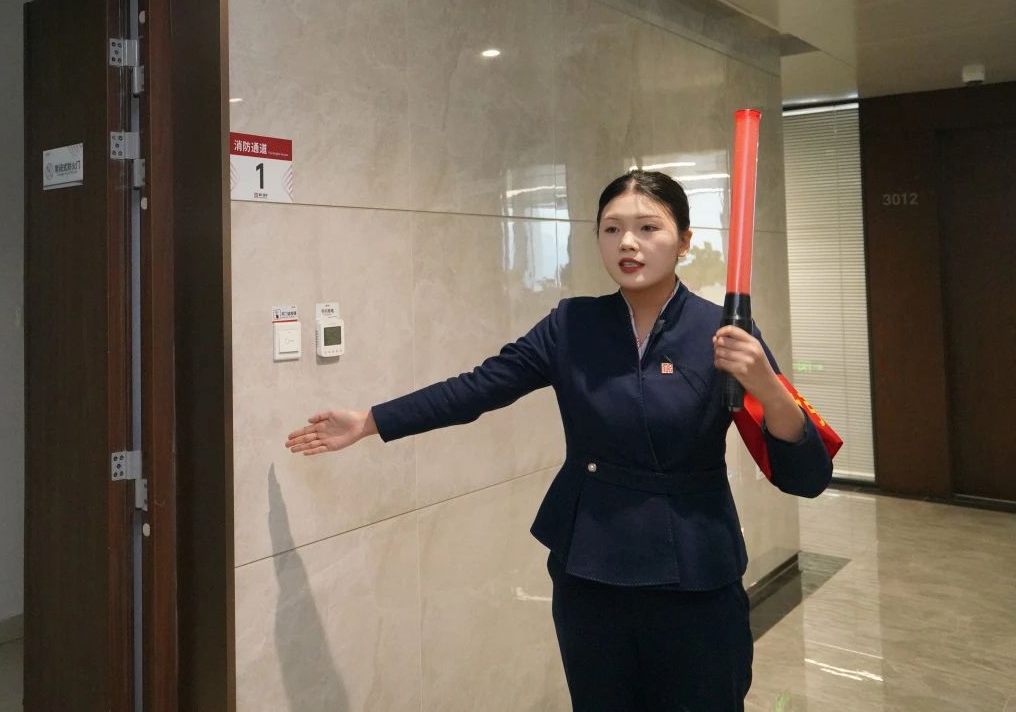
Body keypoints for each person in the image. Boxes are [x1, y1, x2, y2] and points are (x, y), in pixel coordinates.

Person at [285, 169, 834, 711]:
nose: (628, 243)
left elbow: (805, 476)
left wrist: (765, 383)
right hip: (590, 563)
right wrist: (372, 420)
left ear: (685, 242)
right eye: (612, 229)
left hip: (695, 569)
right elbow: (479, 387)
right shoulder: (573, 324)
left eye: (648, 228)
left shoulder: (725, 333)